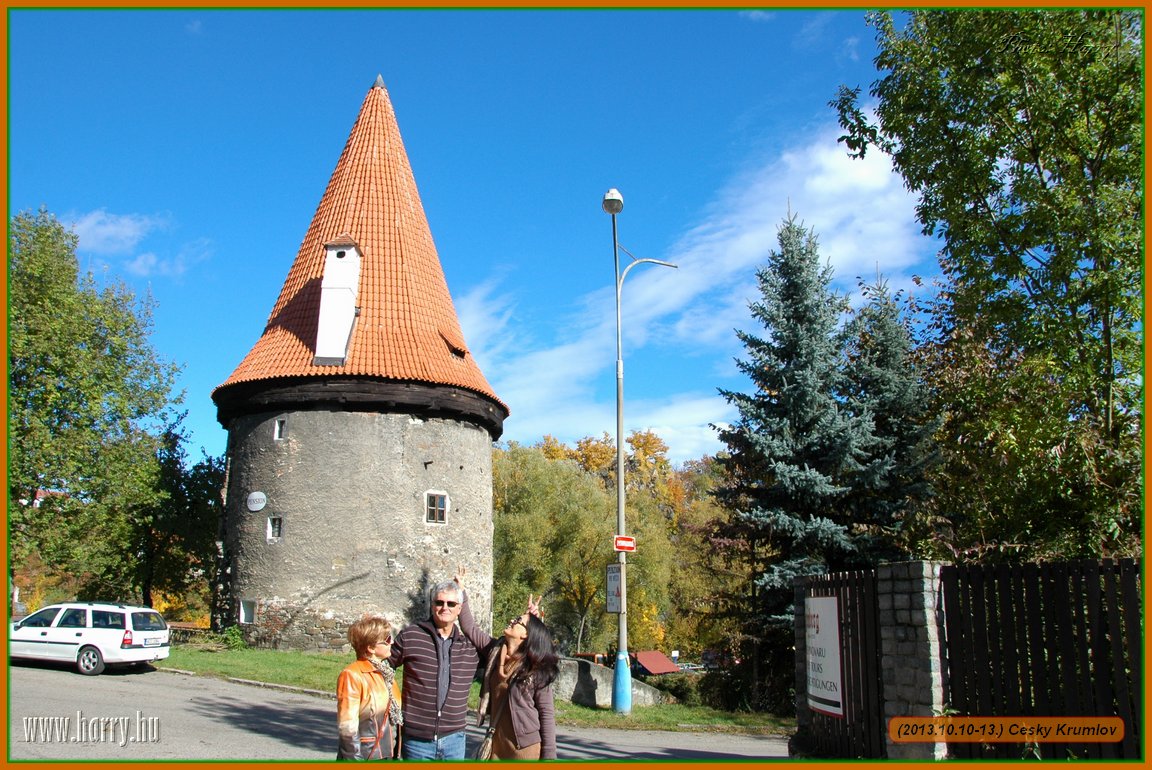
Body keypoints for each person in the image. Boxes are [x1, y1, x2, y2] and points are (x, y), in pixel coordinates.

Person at [457, 580, 558, 760]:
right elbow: (469, 628)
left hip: (524, 749)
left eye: (518, 621)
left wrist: (549, 757)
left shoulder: (535, 667)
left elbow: (546, 713)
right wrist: (461, 592)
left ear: (525, 634)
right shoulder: (495, 651)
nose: (512, 620)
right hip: (496, 743)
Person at [388, 579, 485, 760]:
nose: (444, 607)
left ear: (460, 608)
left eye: (451, 604)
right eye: (439, 602)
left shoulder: (469, 648)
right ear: (432, 606)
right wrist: (392, 701)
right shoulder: (411, 636)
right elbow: (384, 667)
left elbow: (504, 651)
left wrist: (531, 623)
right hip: (417, 741)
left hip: (454, 741)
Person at [336, 615, 403, 760]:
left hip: (388, 755)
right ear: (371, 647)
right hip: (365, 755)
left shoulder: (386, 674)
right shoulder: (352, 675)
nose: (392, 642)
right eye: (387, 639)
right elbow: (347, 727)